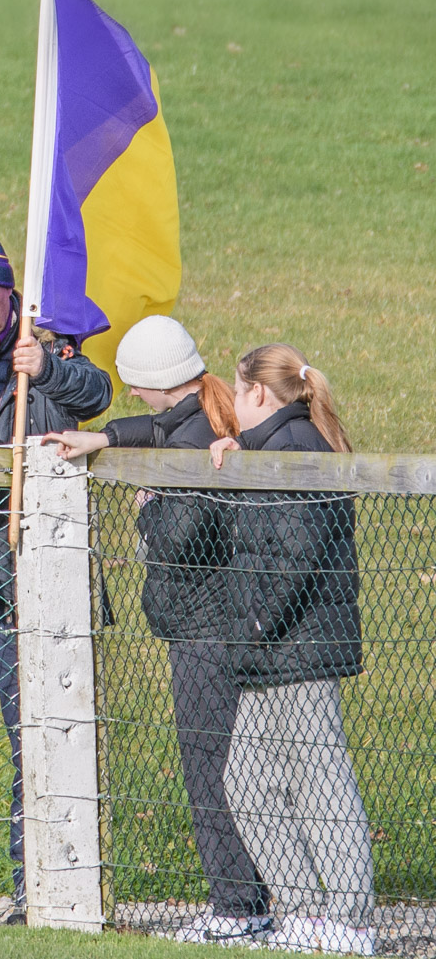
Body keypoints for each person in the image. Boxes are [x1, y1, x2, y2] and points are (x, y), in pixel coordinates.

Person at [44, 315, 274, 945]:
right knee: (226, 765)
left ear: (157, 380)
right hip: (216, 623)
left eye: (135, 385)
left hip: (208, 627)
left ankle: (237, 906)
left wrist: (147, 510)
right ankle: (247, 898)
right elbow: (157, 429)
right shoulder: (199, 415)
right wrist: (105, 438)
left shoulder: (196, 433)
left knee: (208, 767)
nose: (132, 396)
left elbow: (184, 537)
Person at [0, 204, 113, 923]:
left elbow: (97, 394)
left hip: (22, 581)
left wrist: (50, 371)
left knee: (34, 734)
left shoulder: (44, 349)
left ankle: (34, 883)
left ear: (11, 294)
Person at [210, 343, 375, 956]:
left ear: (258, 393)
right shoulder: (271, 448)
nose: (230, 405)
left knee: (320, 780)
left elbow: (296, 552)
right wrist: (234, 456)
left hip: (296, 646)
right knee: (249, 784)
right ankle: (304, 912)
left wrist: (253, 625)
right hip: (268, 648)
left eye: (236, 391)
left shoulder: (296, 448)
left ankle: (351, 920)